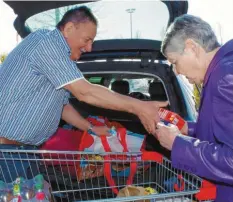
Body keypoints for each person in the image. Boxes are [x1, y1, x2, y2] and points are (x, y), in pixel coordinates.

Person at [0, 6, 167, 182]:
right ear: (69, 28)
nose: (89, 48)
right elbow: (85, 92)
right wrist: (139, 107)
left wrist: (91, 128)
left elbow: (63, 106)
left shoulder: (57, 60)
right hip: (6, 154)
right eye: (87, 40)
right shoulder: (46, 43)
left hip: (24, 153)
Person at [155, 14, 233, 202]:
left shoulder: (224, 77)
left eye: (174, 62)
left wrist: (178, 144)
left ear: (192, 47)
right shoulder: (222, 69)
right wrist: (187, 129)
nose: (177, 71)